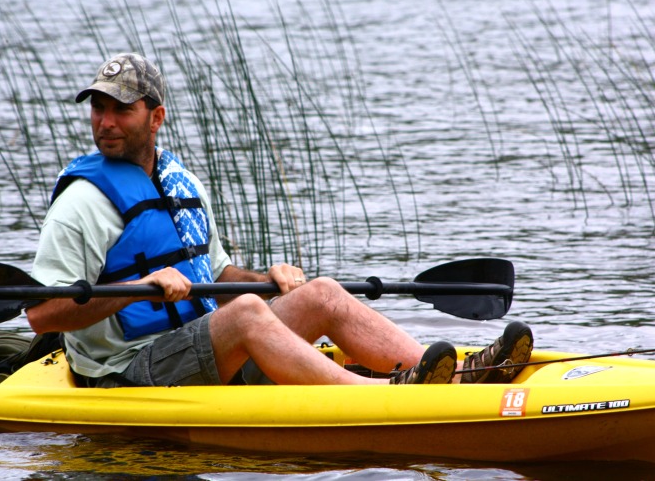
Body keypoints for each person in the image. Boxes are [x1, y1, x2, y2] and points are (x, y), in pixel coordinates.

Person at [26, 52, 534, 388]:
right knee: (247, 313)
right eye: (98, 108)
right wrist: (143, 286)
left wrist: (268, 280)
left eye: (121, 110)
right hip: (126, 371)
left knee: (322, 292)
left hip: (199, 344)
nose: (105, 122)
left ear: (156, 118)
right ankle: (380, 394)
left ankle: (455, 376)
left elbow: (217, 277)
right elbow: (43, 315)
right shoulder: (82, 202)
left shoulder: (182, 183)